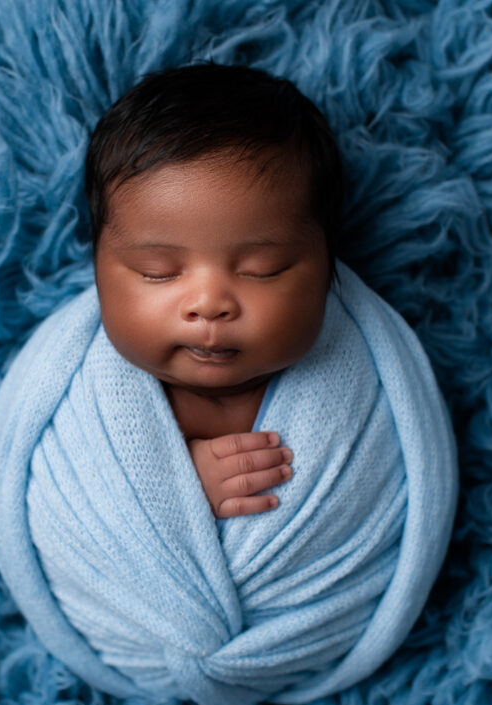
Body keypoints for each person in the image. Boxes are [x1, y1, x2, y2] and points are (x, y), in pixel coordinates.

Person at [84, 63, 344, 519]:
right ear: (98, 270)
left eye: (262, 269)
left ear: (327, 269)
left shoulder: (353, 389)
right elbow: (77, 503)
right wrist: (177, 490)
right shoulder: (91, 407)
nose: (208, 304)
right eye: (158, 271)